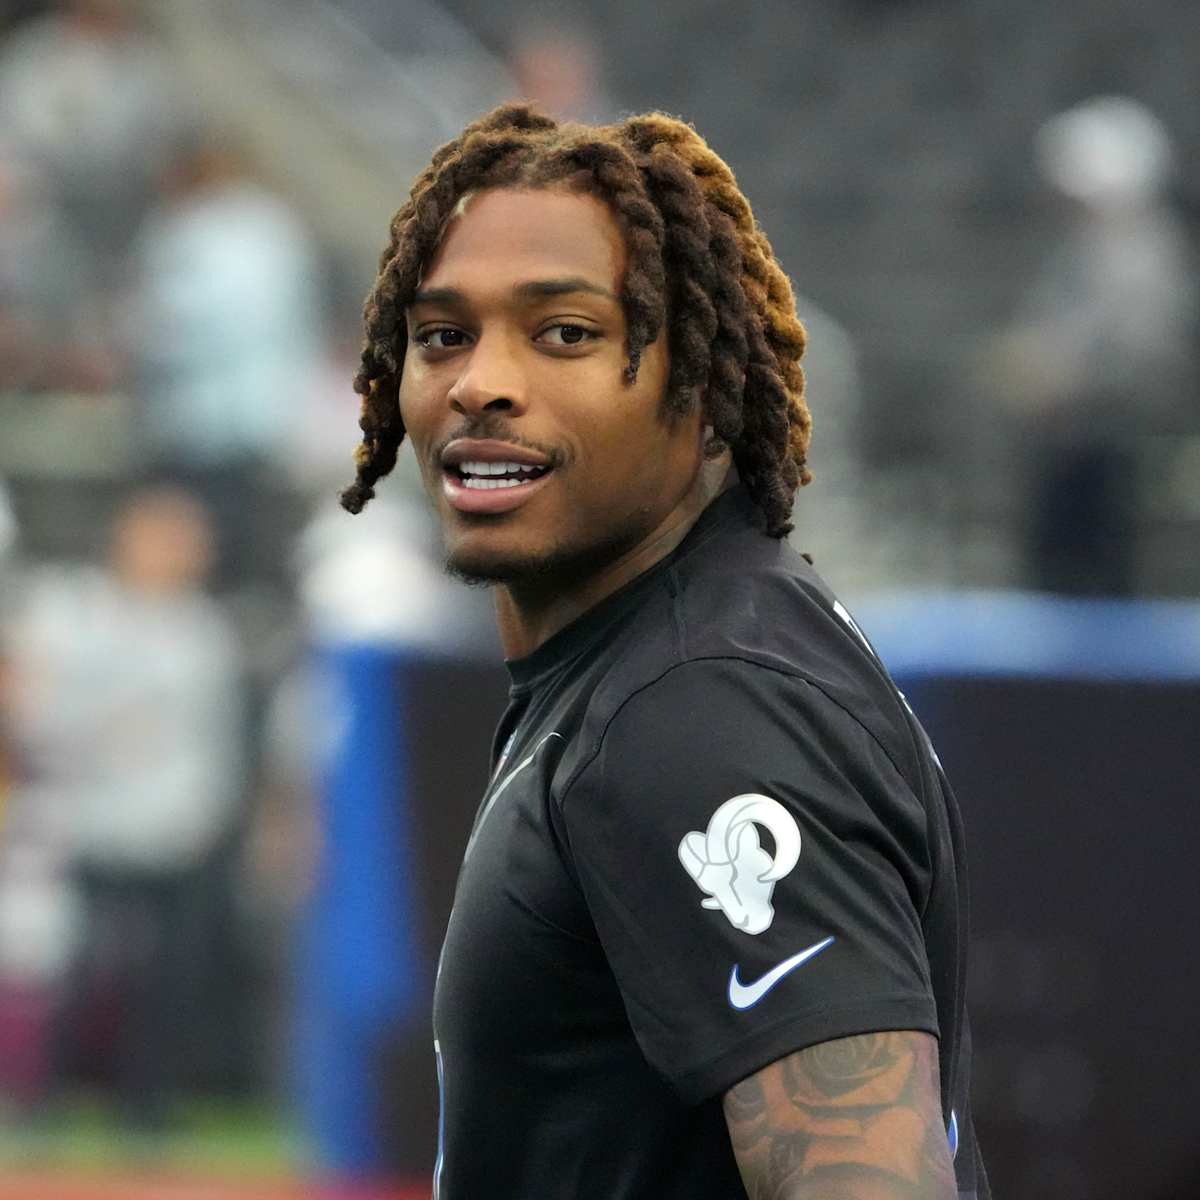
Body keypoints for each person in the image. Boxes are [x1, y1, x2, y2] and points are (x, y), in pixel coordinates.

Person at [340, 103, 988, 1199]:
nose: (479, 383)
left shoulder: (700, 704)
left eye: (566, 334)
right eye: (443, 334)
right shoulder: (645, 659)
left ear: (701, 386)